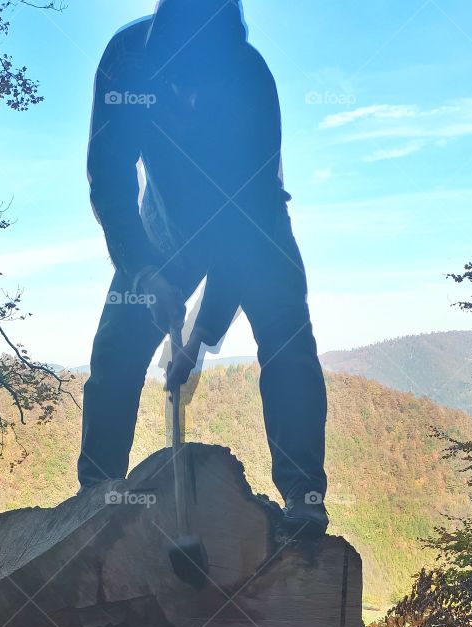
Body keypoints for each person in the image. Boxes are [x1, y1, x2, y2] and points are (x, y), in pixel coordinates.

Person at [78, 0, 330, 534]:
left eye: (203, 84)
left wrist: (195, 341)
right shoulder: (125, 59)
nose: (190, 96)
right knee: (117, 347)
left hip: (255, 220)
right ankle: (94, 501)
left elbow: (241, 238)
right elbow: (109, 178)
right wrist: (144, 272)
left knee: (287, 337)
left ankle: (304, 498)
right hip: (162, 222)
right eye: (179, 83)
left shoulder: (250, 79)